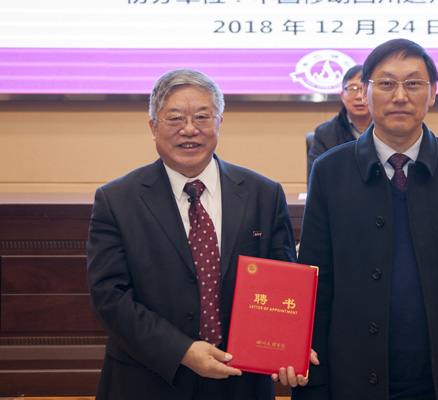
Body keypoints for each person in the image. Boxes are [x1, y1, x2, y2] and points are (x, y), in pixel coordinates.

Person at [293, 39, 438, 400]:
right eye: (386, 83)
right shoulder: (329, 172)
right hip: (353, 380)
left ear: (432, 93)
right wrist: (313, 381)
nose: (400, 96)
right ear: (364, 92)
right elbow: (316, 286)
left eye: (413, 83)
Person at [87, 68, 304, 400]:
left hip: (241, 380)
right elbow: (109, 297)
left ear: (219, 123)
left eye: (202, 116)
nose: (189, 129)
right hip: (149, 379)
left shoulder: (264, 194)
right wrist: (182, 351)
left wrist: (288, 346)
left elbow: (282, 285)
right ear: (153, 127)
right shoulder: (117, 200)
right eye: (175, 118)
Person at [306, 64, 372, 179]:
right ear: (342, 96)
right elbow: (316, 179)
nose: (359, 96)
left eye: (364, 89)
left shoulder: (388, 129)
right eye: (352, 89)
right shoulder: (325, 133)